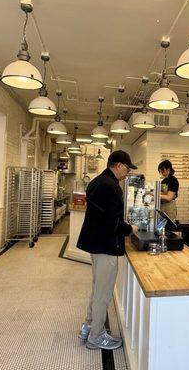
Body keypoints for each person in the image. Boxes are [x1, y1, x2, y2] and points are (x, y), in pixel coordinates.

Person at [77, 150, 138, 350]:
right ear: (119, 165)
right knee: (103, 293)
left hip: (96, 244)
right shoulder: (111, 187)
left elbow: (105, 216)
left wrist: (120, 221)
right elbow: (111, 222)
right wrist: (130, 228)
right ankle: (96, 336)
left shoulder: (97, 182)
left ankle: (88, 325)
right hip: (106, 246)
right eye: (127, 169)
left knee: (97, 289)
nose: (127, 173)